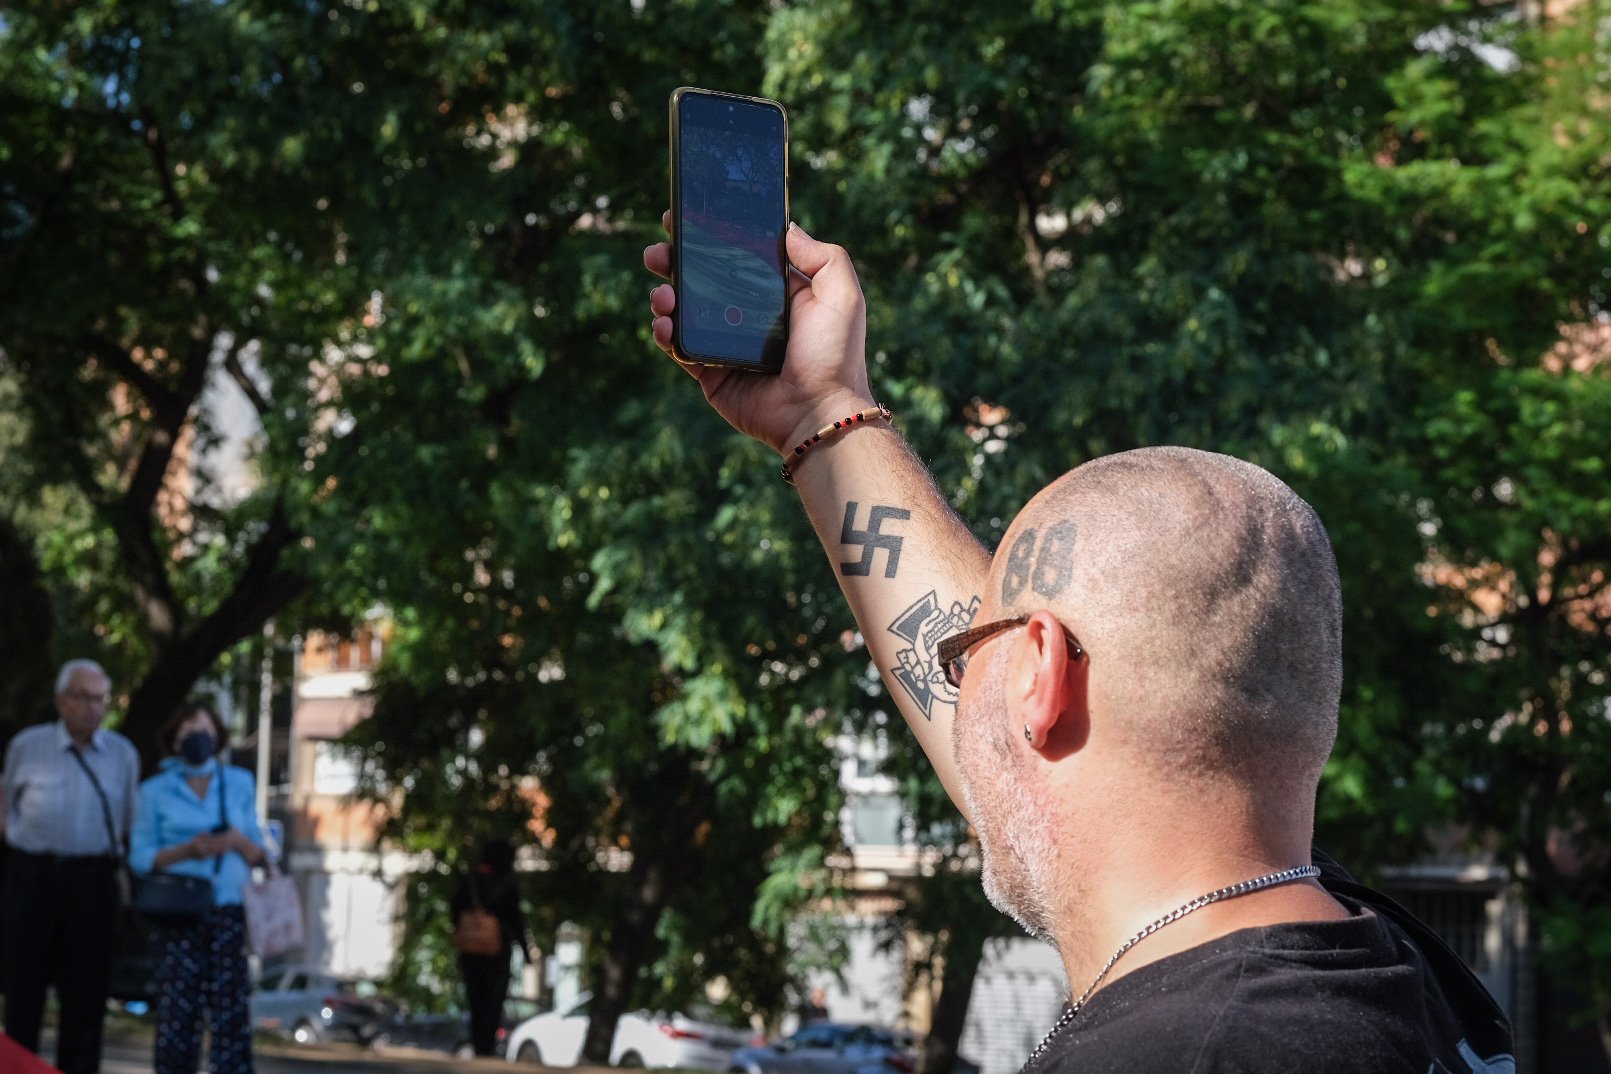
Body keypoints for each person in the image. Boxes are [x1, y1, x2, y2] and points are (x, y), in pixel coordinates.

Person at [644, 223, 1516, 1070]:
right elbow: (1006, 736)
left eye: (964, 655)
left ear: (1041, 677)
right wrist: (819, 411)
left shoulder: (1183, 1052)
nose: (950, 672)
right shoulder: (1398, 974)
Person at [0, 658, 138, 1074]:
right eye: (83, 697)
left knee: (86, 994)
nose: (93, 707)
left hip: (92, 881)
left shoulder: (122, 754)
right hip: (33, 876)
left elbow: (130, 822)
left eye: (100, 699)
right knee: (23, 990)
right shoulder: (28, 745)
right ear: (62, 701)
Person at [129, 702, 269, 1074]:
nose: (198, 741)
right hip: (177, 912)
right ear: (174, 742)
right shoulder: (154, 790)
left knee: (230, 1012)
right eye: (189, 734)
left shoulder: (238, 782)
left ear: (219, 739)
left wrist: (237, 840)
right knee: (178, 1014)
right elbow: (140, 856)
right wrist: (187, 851)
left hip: (227, 909)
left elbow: (261, 855)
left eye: (205, 733)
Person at [450, 839, 530, 1056]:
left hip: (470, 949)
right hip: (498, 950)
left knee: (476, 999)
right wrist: (526, 951)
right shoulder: (506, 885)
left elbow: (454, 911)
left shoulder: (470, 882)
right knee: (493, 1001)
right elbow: (517, 922)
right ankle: (486, 1046)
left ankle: (478, 1043)